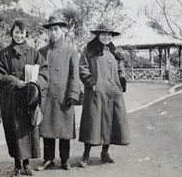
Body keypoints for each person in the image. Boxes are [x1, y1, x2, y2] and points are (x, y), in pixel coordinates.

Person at [0, 19, 48, 177]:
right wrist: (14, 81)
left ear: (26, 34)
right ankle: (17, 164)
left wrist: (36, 84)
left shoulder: (33, 53)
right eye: (16, 32)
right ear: (12, 33)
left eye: (22, 33)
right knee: (13, 131)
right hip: (10, 99)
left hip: (28, 100)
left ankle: (27, 164)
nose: (19, 35)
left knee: (27, 131)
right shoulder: (3, 54)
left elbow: (44, 72)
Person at [78, 22, 130, 168]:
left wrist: (122, 81)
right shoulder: (89, 49)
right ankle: (86, 155)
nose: (106, 37)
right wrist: (91, 83)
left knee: (110, 123)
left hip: (113, 93)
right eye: (104, 34)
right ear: (98, 35)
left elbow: (120, 68)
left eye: (109, 35)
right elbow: (82, 67)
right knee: (92, 124)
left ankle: (104, 153)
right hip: (95, 93)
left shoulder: (114, 51)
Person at [37, 16, 80, 171]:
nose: (53, 33)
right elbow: (38, 74)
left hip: (63, 96)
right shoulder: (41, 51)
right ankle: (48, 159)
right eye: (50, 30)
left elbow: (75, 75)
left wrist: (73, 94)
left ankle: (65, 159)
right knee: (47, 129)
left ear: (62, 30)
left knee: (64, 130)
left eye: (56, 29)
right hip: (46, 96)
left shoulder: (71, 52)